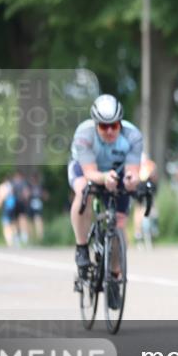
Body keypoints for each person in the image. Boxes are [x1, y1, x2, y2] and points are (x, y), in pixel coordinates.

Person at [69, 94, 143, 310]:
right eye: (104, 126)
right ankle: (82, 248)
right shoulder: (84, 134)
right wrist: (104, 179)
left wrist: (131, 180)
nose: (110, 130)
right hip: (86, 170)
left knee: (119, 224)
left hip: (117, 173)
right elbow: (90, 172)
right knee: (84, 190)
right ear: (95, 124)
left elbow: (132, 172)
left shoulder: (133, 136)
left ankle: (114, 277)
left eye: (114, 125)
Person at [132, 152, 158, 247]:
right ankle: (151, 228)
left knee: (138, 208)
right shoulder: (150, 165)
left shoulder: (135, 164)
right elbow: (154, 177)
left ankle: (138, 232)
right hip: (148, 187)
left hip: (139, 187)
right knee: (150, 207)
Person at [0, 176, 17, 247]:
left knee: (6, 225)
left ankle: (9, 241)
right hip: (13, 207)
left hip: (5, 208)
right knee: (13, 223)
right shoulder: (12, 186)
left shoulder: (2, 187)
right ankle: (16, 239)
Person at [27, 172, 48, 242]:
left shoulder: (41, 186)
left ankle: (40, 237)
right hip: (30, 204)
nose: (34, 180)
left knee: (38, 220)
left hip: (38, 204)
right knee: (30, 221)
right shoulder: (29, 186)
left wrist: (42, 195)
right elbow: (25, 195)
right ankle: (31, 237)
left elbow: (46, 196)